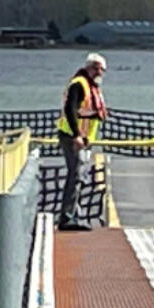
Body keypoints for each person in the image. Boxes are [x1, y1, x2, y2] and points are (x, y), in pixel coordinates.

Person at [55, 52, 109, 230]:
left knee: (80, 176)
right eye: (98, 69)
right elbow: (71, 110)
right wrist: (77, 135)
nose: (100, 73)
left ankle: (74, 215)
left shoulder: (91, 86)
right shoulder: (79, 85)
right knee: (75, 175)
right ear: (90, 67)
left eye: (102, 70)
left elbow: (89, 112)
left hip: (84, 139)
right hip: (73, 137)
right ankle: (67, 217)